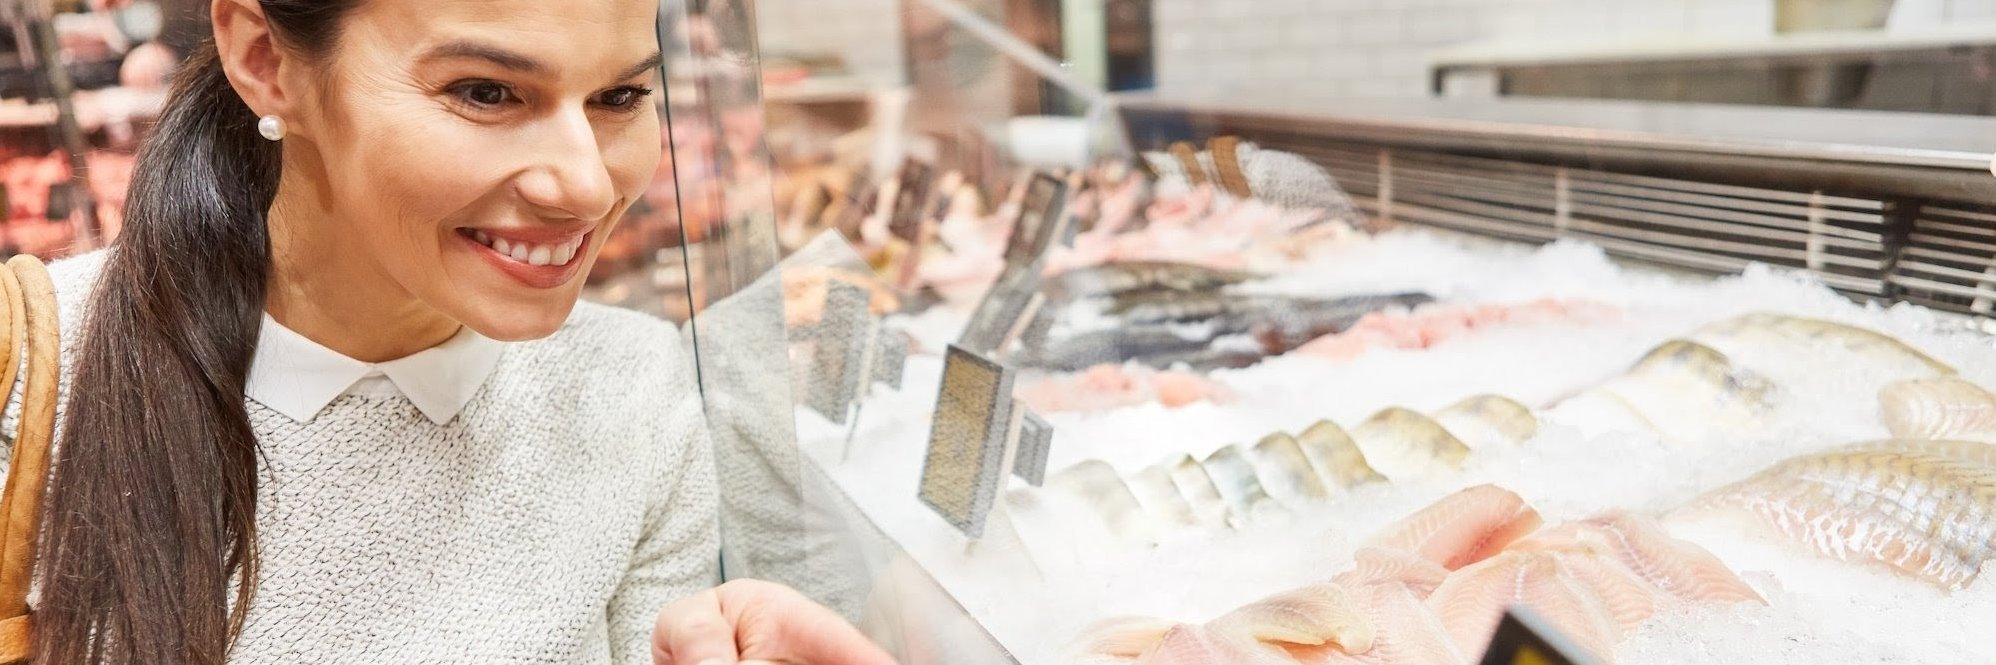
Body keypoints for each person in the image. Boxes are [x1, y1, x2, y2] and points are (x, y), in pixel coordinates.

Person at [5, 0, 896, 663]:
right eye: (486, 92)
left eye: (620, 95)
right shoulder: (31, 380)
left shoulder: (632, 386)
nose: (586, 187)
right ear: (266, 59)